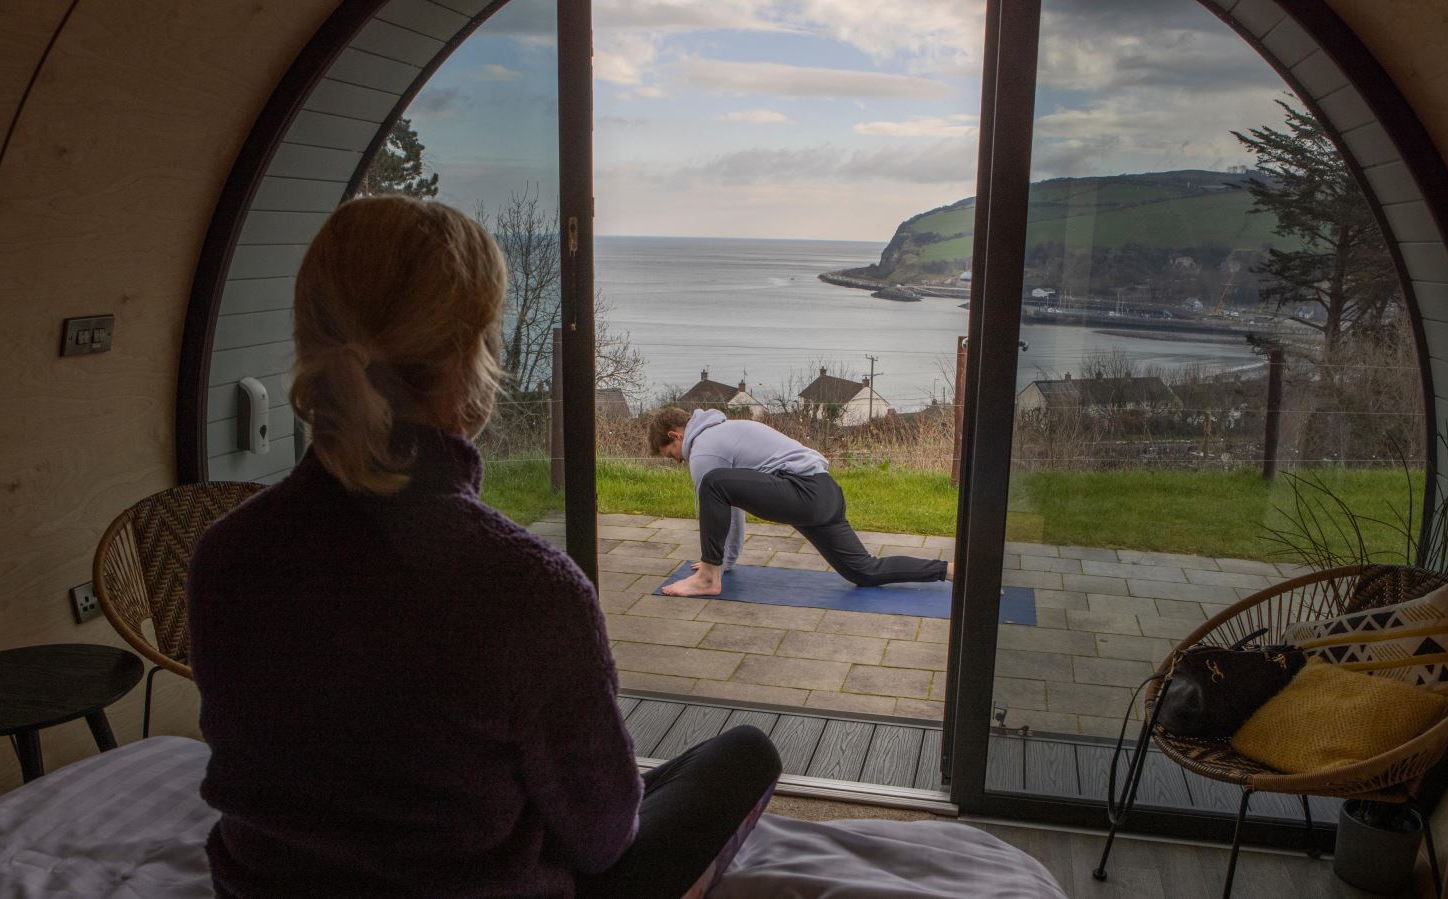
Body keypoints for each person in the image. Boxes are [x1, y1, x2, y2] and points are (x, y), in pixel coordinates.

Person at [188, 195, 779, 899]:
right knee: (745, 755)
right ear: (471, 359)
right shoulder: (527, 591)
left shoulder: (226, 556)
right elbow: (602, 838)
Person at [648, 406, 953, 597]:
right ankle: (950, 569)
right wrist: (723, 560)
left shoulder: (703, 448)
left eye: (670, 454)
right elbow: (731, 505)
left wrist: (714, 567)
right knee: (863, 571)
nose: (675, 461)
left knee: (712, 485)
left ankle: (706, 580)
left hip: (804, 492)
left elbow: (719, 505)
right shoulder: (725, 430)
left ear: (675, 436)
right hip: (824, 492)